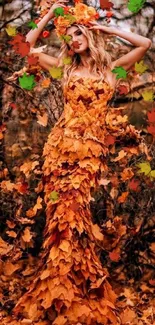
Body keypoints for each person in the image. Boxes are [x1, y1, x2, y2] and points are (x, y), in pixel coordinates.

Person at [3, 1, 152, 324]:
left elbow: (145, 44)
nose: (73, 39)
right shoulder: (63, 68)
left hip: (90, 154)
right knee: (60, 217)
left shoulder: (112, 70)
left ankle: (78, 287)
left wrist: (104, 27)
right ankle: (58, 290)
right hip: (60, 149)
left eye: (78, 32)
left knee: (77, 215)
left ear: (89, 34)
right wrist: (51, 13)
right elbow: (26, 46)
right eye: (69, 35)